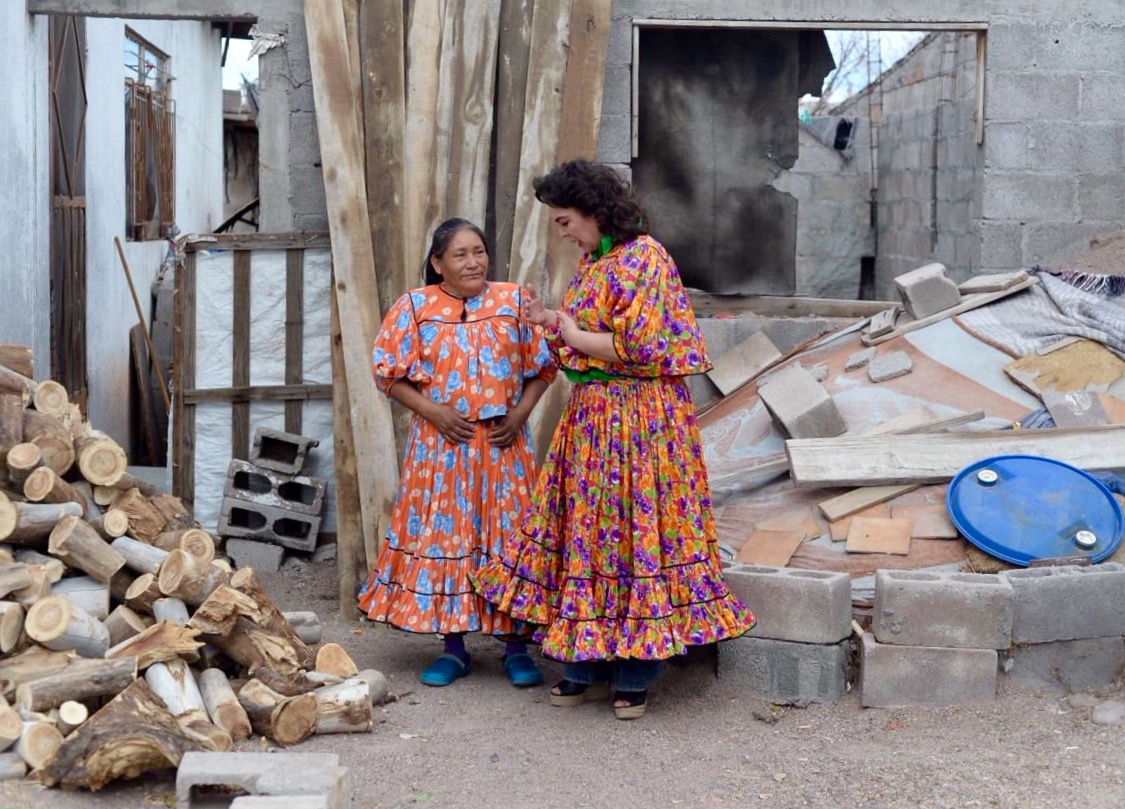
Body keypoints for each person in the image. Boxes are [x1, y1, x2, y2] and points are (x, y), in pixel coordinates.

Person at [473, 160, 756, 719]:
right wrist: (550, 318)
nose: (562, 232)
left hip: (641, 419)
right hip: (596, 419)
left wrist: (573, 332)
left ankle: (635, 672)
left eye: (563, 220)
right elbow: (589, 332)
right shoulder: (596, 261)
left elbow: (638, 347)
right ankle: (586, 664)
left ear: (595, 210)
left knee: (635, 534)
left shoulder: (645, 258)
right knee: (591, 534)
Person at [358, 218, 557, 688]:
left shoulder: (512, 302)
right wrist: (435, 412)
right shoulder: (414, 307)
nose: (473, 262)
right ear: (437, 263)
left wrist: (520, 415)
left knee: (510, 542)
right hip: (443, 449)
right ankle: (453, 647)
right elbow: (388, 375)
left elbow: (543, 367)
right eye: (460, 254)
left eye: (479, 251)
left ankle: (515, 648)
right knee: (446, 542)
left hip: (504, 448)